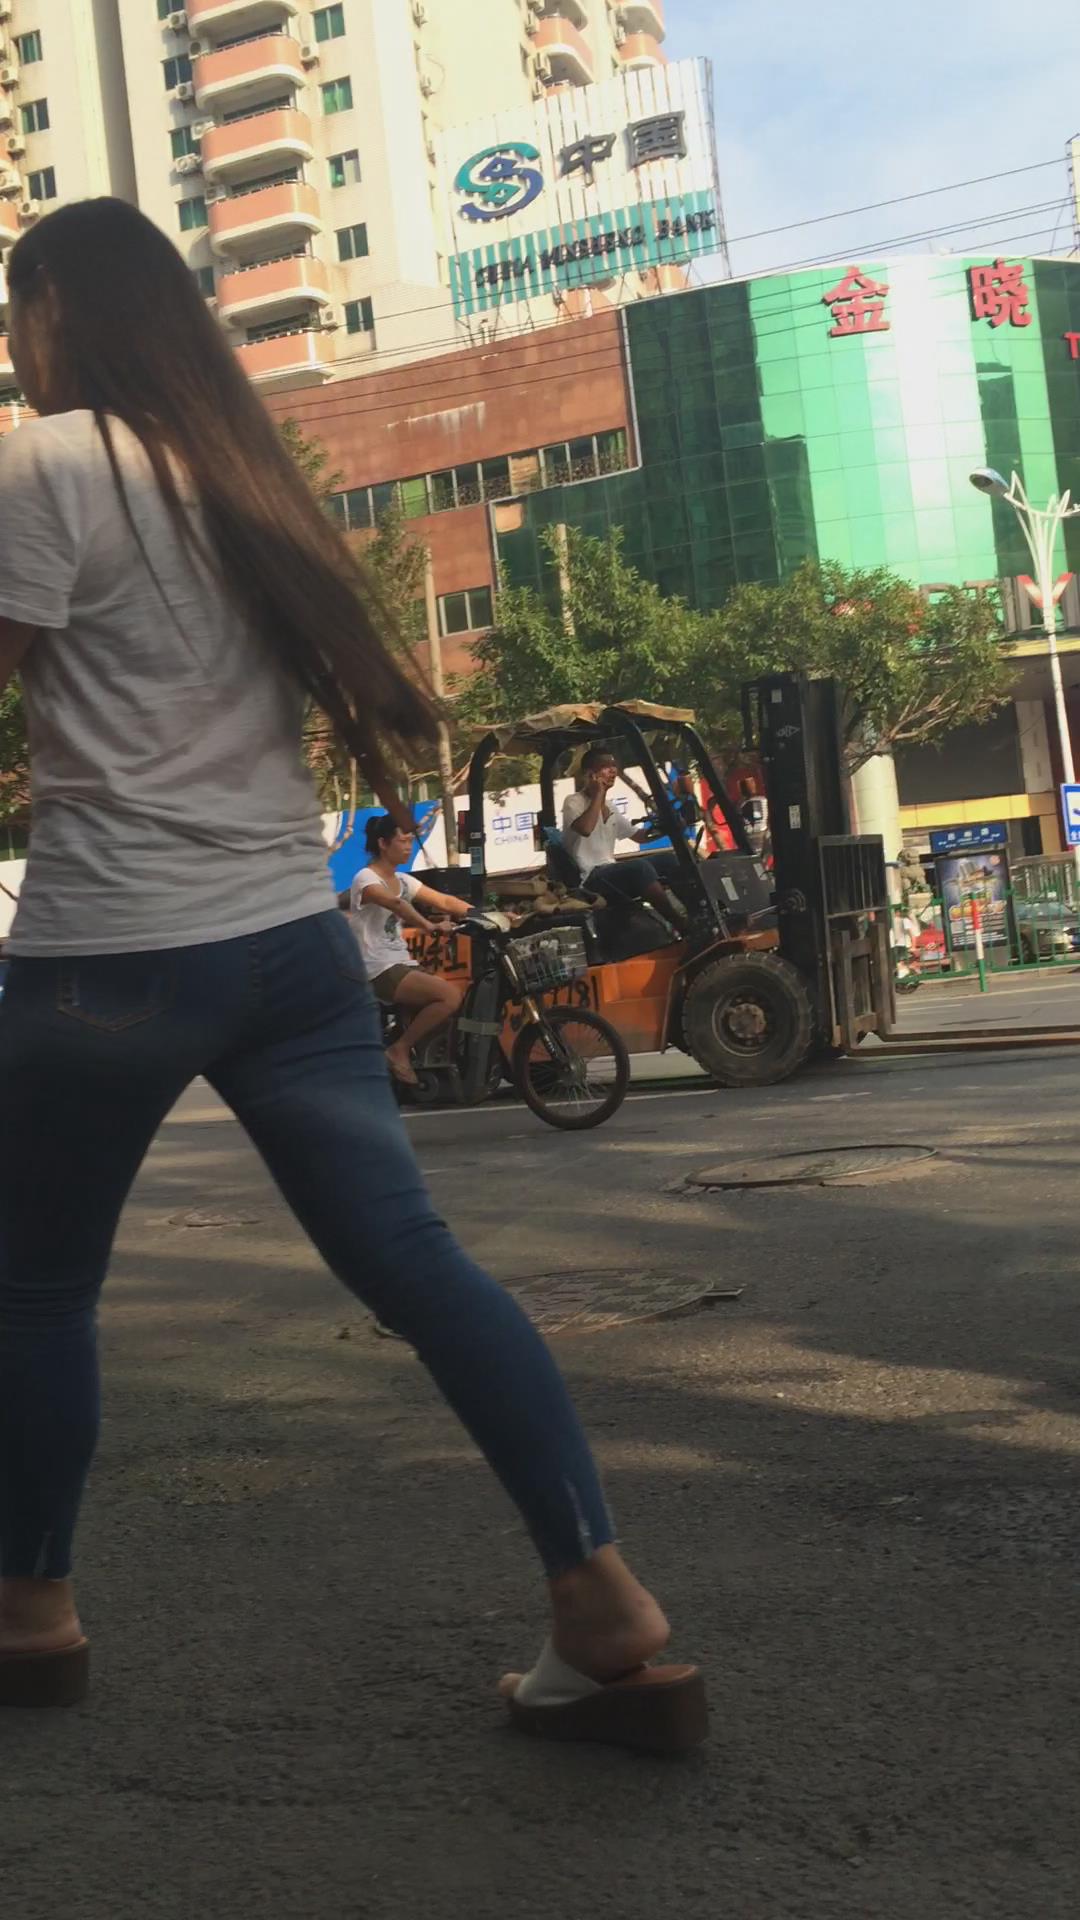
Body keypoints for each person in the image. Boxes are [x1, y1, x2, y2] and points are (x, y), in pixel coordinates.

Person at [0, 199, 705, 1751]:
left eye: (14, 313)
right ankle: (602, 1599)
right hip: (293, 956)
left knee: (38, 1287)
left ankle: (32, 1613)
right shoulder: (245, 480)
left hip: (110, 954)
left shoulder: (45, 466)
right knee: (415, 1261)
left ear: (55, 311)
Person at [350, 813, 469, 1087]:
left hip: (401, 962)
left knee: (458, 996)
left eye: (409, 841)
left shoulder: (404, 880)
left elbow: (445, 901)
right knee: (449, 997)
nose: (408, 847)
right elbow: (397, 904)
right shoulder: (365, 878)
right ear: (383, 843)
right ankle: (399, 1050)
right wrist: (429, 925)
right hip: (377, 967)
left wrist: (486, 915)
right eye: (402, 841)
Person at [562, 748, 688, 928]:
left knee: (669, 860)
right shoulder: (573, 802)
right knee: (640, 868)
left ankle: (699, 914)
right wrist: (598, 794)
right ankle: (680, 924)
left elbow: (639, 836)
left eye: (614, 766)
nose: (613, 770)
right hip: (590, 877)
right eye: (605, 766)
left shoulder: (610, 807)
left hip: (609, 870)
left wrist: (669, 828)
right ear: (590, 774)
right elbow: (585, 828)